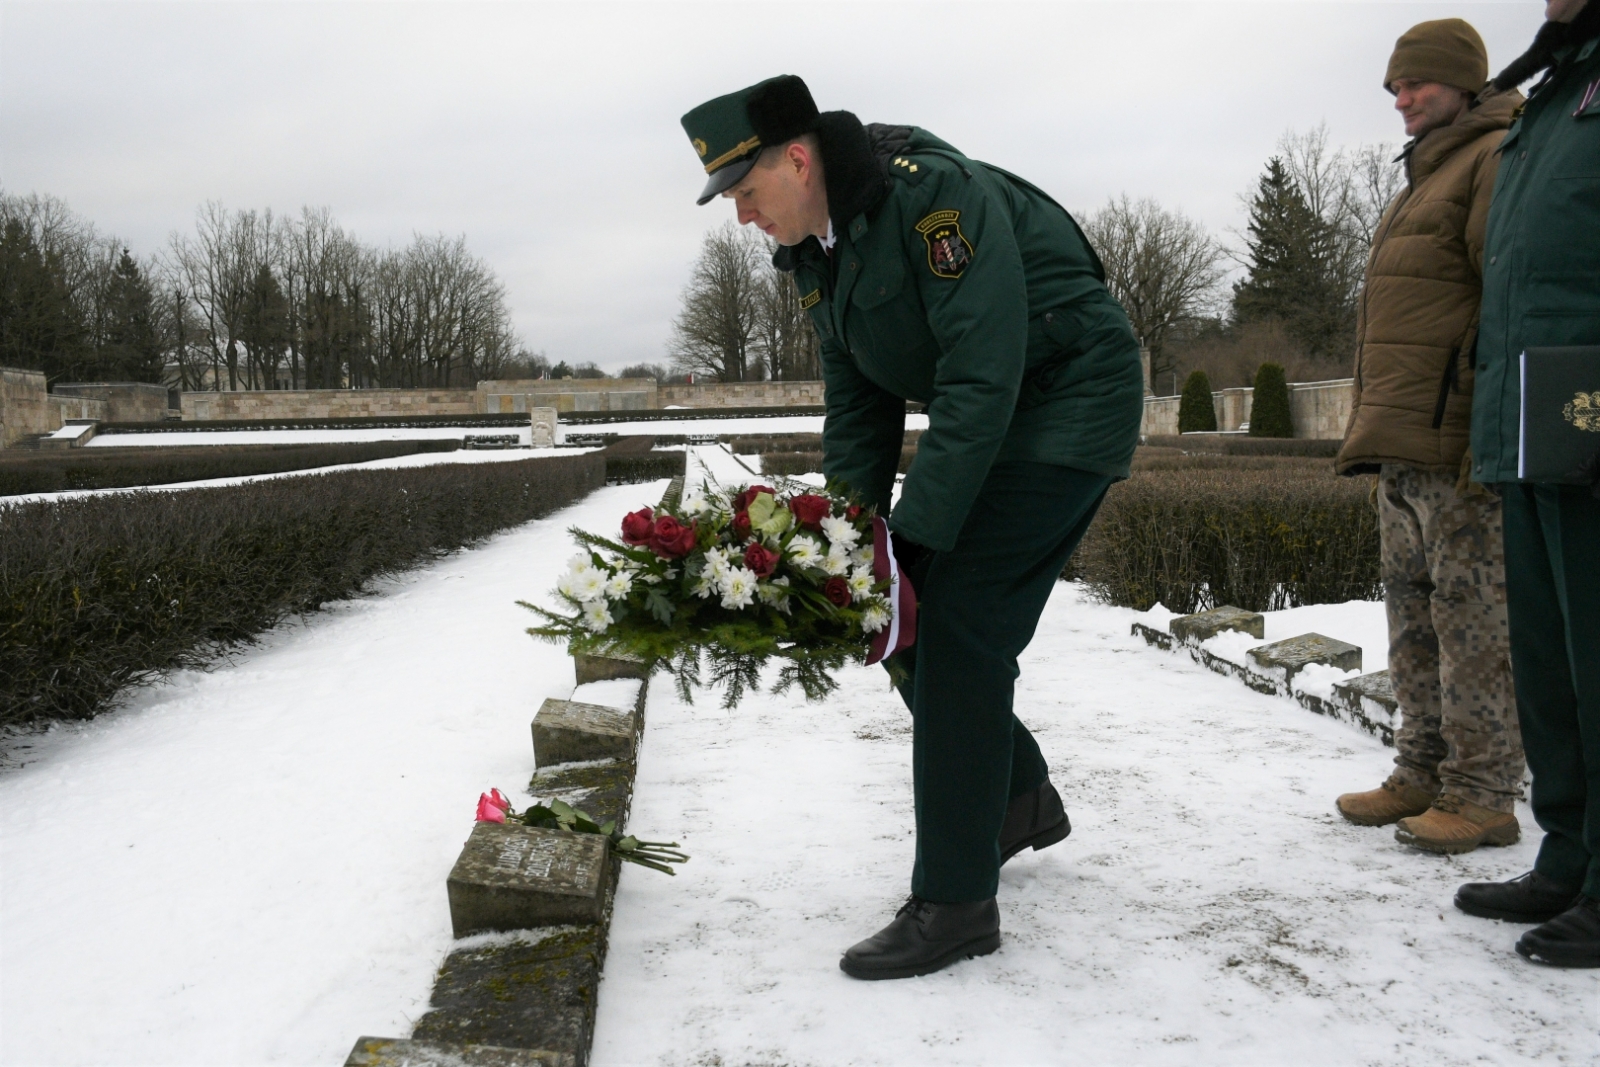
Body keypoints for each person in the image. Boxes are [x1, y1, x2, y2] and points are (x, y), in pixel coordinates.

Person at [678, 76, 1144, 980]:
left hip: (1065, 401)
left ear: (799, 159)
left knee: (957, 624)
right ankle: (1013, 799)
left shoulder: (929, 195)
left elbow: (981, 371)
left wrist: (916, 539)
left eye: (744, 192)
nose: (740, 217)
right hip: (999, 412)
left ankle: (957, 900)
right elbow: (858, 402)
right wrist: (853, 549)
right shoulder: (820, 251)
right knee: (889, 612)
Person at [1333, 20, 1527, 854]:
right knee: (1412, 616)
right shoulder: (1424, 174)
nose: (1403, 100)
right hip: (1402, 441)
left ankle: (1484, 792)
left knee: (1473, 620)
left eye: (1416, 85)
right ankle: (1421, 768)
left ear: (1463, 84)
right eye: (1394, 89)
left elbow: (1508, 299)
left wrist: (1488, 432)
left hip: (1458, 448)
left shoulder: (1492, 161)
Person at [1452, 0, 1600, 968]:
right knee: (1551, 664)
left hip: (1588, 408)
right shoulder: (1549, 92)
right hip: (1530, 412)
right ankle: (1570, 851)